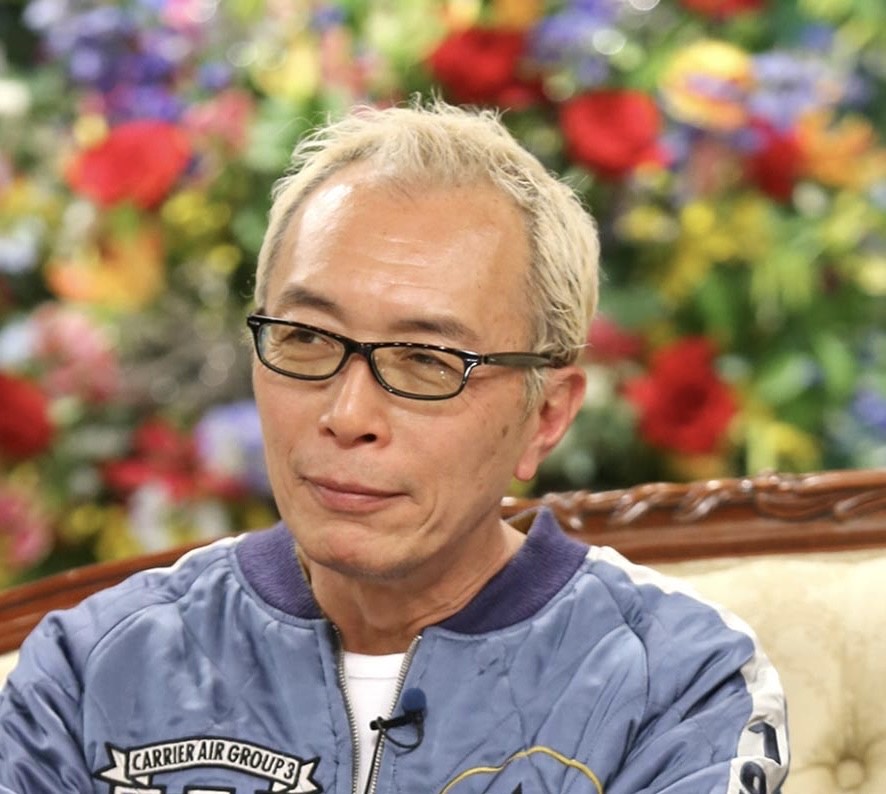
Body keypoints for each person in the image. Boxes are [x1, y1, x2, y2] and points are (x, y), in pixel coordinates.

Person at [0, 98, 789, 794]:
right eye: (306, 338)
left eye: (426, 361)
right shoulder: (93, 667)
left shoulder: (673, 680)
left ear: (546, 415)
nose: (348, 415)